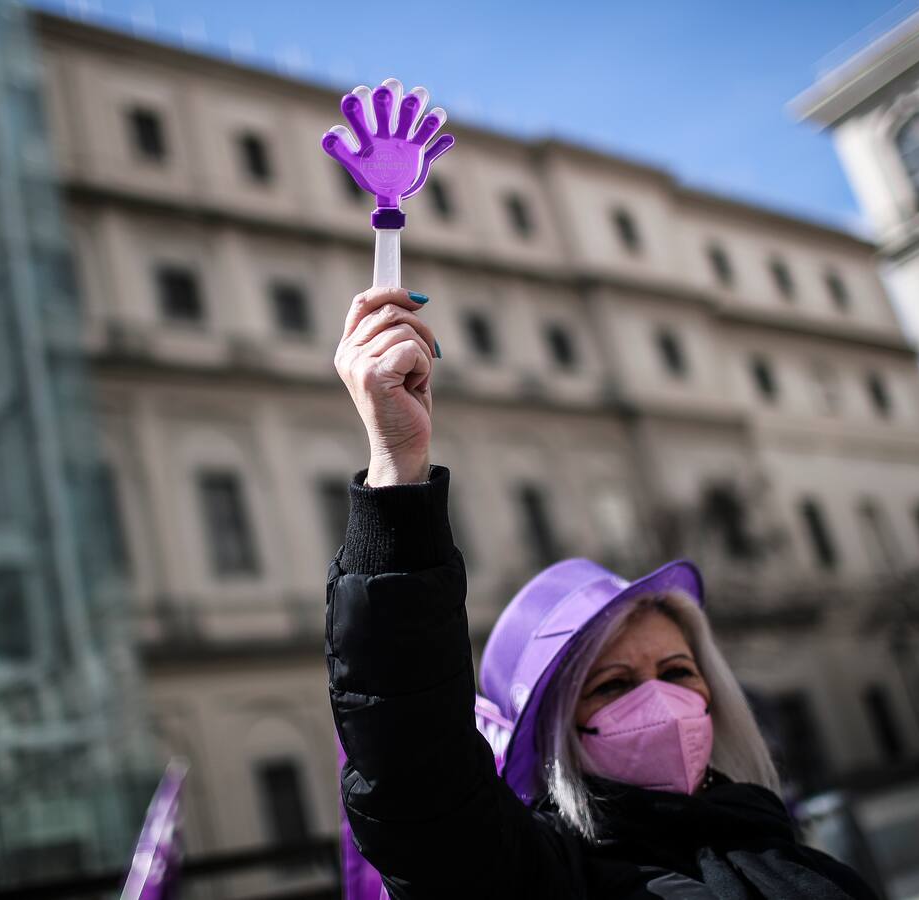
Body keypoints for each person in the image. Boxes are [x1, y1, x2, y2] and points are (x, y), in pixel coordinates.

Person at [327, 285, 881, 898]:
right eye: (612, 685)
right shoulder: (545, 877)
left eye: (677, 670)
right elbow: (415, 768)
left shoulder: (797, 857)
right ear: (559, 725)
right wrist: (398, 469)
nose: (661, 702)